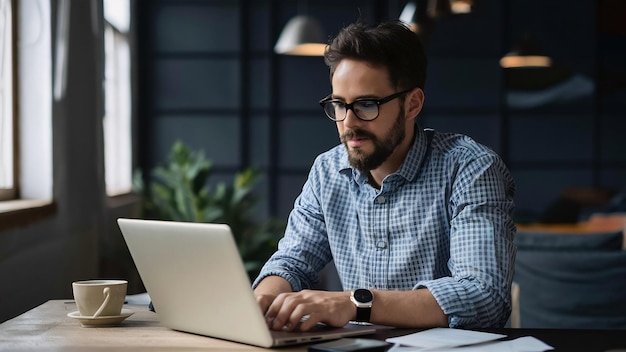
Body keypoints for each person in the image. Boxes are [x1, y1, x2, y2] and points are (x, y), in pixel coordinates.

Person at [252, 20, 516, 332]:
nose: (349, 122)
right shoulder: (327, 171)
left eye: (366, 104)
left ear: (412, 103)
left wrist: (353, 303)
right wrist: (263, 302)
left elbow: (484, 296)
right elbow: (293, 262)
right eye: (339, 104)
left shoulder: (470, 168)